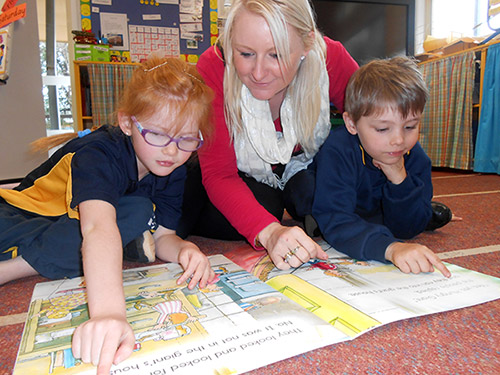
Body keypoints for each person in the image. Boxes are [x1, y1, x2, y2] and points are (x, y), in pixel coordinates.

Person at [0, 57, 216, 373]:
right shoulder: (97, 153)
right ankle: (10, 269)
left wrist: (186, 249)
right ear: (127, 122)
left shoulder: (172, 166)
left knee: (138, 210)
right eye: (157, 134)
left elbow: (165, 235)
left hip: (73, 225)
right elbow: (98, 228)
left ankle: (113, 247)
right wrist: (109, 313)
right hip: (19, 217)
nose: (172, 151)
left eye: (186, 139)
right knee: (110, 230)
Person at [177, 0, 359, 269]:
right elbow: (219, 173)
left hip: (301, 169)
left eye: (276, 55)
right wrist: (270, 231)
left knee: (317, 192)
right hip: (245, 176)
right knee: (264, 207)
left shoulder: (330, 57)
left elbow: (374, 120)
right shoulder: (213, 66)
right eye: (245, 54)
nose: (259, 73)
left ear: (307, 45)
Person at [313, 56, 452, 278]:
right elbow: (337, 219)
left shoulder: (415, 156)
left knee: (419, 214)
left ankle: (422, 206)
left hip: (376, 213)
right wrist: (391, 248)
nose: (398, 140)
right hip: (339, 202)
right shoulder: (337, 150)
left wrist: (400, 181)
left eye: (410, 126)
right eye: (382, 129)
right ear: (351, 124)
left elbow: (408, 230)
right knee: (304, 196)